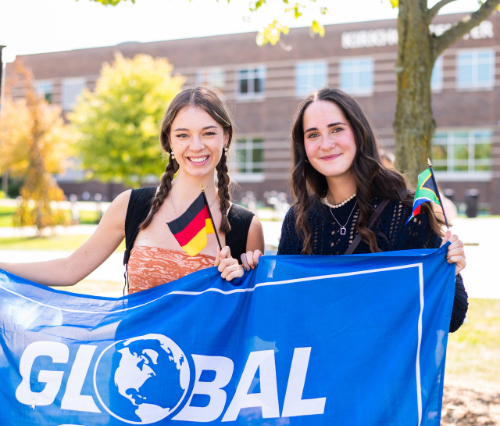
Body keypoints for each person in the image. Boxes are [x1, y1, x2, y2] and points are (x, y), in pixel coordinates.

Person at [243, 87, 467, 332]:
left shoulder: (407, 213)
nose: (326, 144)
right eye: (313, 135)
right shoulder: (298, 220)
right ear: (304, 148)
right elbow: (284, 318)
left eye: (336, 129)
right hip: (315, 368)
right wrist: (252, 276)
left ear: (359, 134)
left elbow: (451, 319)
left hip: (381, 370)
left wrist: (450, 272)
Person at [0, 87, 265, 293]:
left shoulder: (247, 227)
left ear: (226, 137)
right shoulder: (130, 206)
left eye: (208, 133)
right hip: (133, 361)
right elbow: (69, 270)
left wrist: (241, 284)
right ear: (169, 141)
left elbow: (253, 326)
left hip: (207, 362)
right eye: (183, 135)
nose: (196, 146)